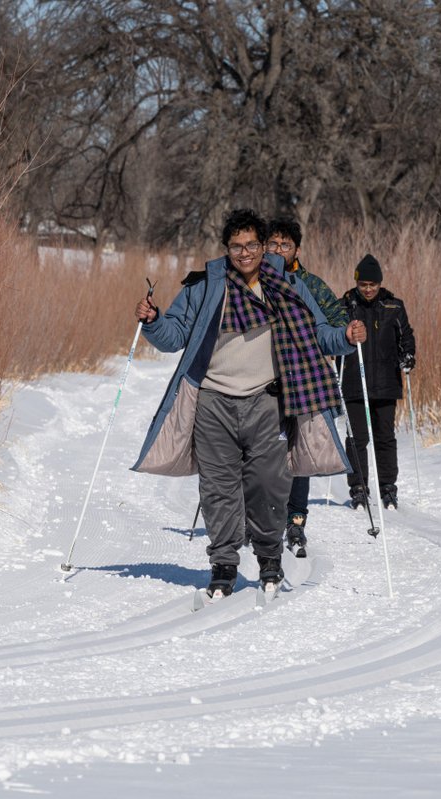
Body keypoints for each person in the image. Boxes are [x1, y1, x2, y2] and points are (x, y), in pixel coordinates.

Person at [130, 208, 364, 598]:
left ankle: (270, 558)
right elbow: (174, 336)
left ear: (262, 246)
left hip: (268, 401)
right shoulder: (206, 285)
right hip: (213, 402)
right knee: (218, 488)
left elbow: (321, 333)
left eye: (252, 244)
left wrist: (346, 337)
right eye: (236, 246)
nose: (245, 253)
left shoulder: (287, 285)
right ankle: (223, 564)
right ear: (226, 248)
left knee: (269, 485)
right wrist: (153, 321)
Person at [266, 216, 350, 559]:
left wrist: (343, 336)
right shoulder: (252, 282)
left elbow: (336, 321)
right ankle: (260, 514)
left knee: (299, 450)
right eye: (272, 244)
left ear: (296, 250)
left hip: (302, 378)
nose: (278, 250)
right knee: (262, 451)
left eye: (285, 245)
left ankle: (296, 517)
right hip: (263, 380)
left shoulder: (310, 285)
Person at [340, 253, 416, 510]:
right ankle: (358, 487)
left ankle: (388, 486)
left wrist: (408, 356)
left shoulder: (394, 306)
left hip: (386, 382)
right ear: (357, 283)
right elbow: (335, 335)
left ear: (380, 283)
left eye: (373, 284)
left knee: (385, 437)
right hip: (354, 382)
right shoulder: (345, 306)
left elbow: (406, 336)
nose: (368, 289)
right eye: (363, 285)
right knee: (357, 438)